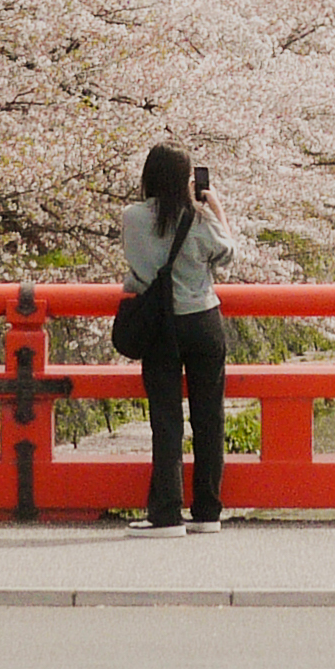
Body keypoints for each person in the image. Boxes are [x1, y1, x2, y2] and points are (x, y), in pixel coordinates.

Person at [118, 144, 236, 535]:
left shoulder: (131, 217)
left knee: (166, 420)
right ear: (187, 180)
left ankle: (167, 513)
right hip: (203, 320)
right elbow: (227, 254)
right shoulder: (199, 216)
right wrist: (214, 204)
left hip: (160, 326)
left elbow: (139, 268)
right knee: (209, 417)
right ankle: (208, 513)